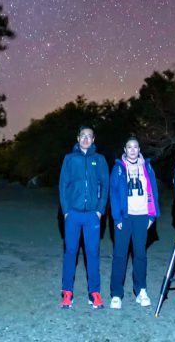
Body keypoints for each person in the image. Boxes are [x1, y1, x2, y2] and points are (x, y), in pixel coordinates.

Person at [59, 125, 109, 309]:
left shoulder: (100, 159)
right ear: (77, 138)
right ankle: (67, 293)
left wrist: (100, 210)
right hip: (73, 213)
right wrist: (66, 210)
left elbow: (105, 185)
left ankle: (94, 293)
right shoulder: (69, 159)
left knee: (92, 253)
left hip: (92, 215)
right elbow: (63, 185)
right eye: (83, 136)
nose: (86, 139)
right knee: (70, 252)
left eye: (89, 136)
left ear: (93, 139)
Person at [109, 135, 160, 309]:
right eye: (129, 147)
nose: (132, 150)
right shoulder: (118, 168)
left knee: (140, 255)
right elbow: (113, 194)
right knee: (120, 255)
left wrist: (152, 216)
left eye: (135, 147)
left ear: (139, 149)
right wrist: (117, 217)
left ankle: (141, 291)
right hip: (125, 217)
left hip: (142, 216)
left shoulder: (147, 166)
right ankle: (116, 294)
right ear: (125, 149)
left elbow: (153, 190)